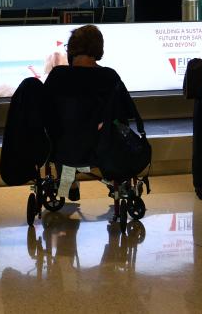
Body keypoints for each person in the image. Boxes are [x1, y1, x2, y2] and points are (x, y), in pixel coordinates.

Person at [43, 24, 137, 201]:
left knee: (62, 131)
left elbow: (45, 115)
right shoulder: (110, 77)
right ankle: (115, 180)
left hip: (64, 150)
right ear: (98, 49)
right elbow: (126, 113)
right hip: (101, 150)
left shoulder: (57, 76)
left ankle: (67, 185)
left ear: (71, 49)